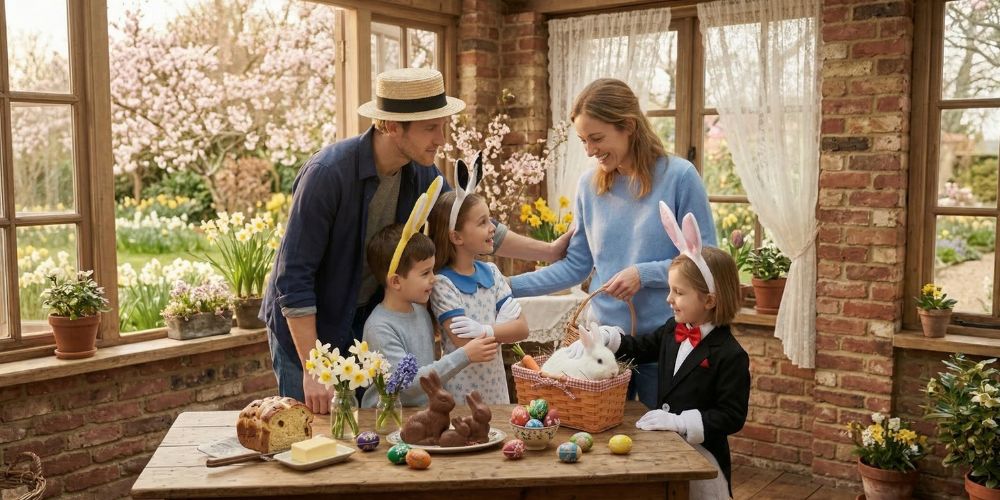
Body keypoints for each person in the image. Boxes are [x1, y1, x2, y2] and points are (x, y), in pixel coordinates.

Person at [260, 68, 570, 414]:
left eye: (442, 125)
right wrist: (313, 368)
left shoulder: (422, 173)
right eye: (430, 128)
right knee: (308, 437)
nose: (441, 139)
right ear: (392, 127)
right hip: (307, 333)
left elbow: (468, 225)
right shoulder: (328, 175)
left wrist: (551, 250)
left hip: (361, 323)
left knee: (365, 437)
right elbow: (294, 278)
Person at [510, 78, 716, 409]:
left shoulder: (680, 177)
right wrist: (503, 287)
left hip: (664, 344)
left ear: (628, 127)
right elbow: (575, 267)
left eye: (597, 138)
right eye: (583, 141)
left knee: (660, 449)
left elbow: (706, 261)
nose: (590, 151)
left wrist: (642, 273)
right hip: (602, 348)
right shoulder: (589, 187)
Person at [575, 203, 749, 498]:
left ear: (709, 301)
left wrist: (682, 422)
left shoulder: (730, 354)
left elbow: (732, 416)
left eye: (678, 293)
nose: (669, 299)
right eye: (671, 290)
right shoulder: (672, 328)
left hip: (704, 457)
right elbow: (641, 347)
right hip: (668, 449)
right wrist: (607, 337)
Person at [360, 221, 498, 408]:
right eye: (425, 273)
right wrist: (465, 355)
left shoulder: (420, 312)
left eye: (432, 270)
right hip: (387, 420)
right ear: (396, 282)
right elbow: (408, 383)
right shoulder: (379, 327)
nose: (434, 278)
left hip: (421, 414)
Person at [427, 160, 529, 404]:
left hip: (497, 393)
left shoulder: (492, 273)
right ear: (456, 236)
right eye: (482, 222)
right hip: (461, 395)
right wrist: (502, 327)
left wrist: (486, 330)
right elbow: (466, 344)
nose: (492, 228)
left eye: (489, 220)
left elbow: (522, 329)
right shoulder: (443, 283)